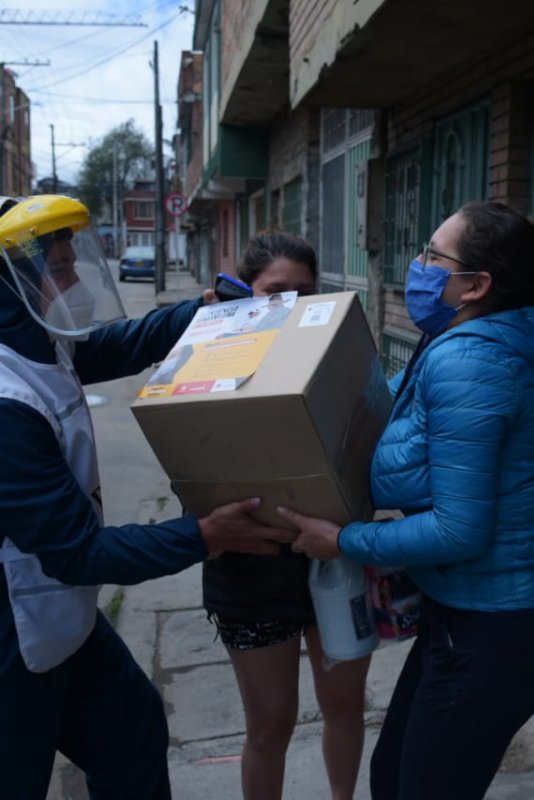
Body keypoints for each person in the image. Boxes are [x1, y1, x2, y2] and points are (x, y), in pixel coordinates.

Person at [0, 194, 293, 800]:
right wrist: (206, 535)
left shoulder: (20, 332)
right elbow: (78, 553)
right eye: (57, 265)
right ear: (8, 276)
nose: (73, 276)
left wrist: (201, 313)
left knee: (129, 733)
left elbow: (109, 348)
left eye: (70, 259)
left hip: (45, 601)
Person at [278, 201, 534, 800]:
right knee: (392, 779)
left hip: (495, 635)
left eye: (433, 255)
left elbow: (459, 530)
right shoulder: (449, 343)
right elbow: (378, 419)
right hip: (462, 618)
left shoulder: (471, 362)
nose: (417, 265)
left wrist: (342, 542)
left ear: (474, 285)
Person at [200, 231, 370, 800]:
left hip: (334, 557)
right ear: (246, 292)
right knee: (270, 726)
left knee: (344, 707)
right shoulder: (213, 350)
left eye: (304, 290)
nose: (291, 304)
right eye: (276, 292)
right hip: (252, 567)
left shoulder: (335, 351)